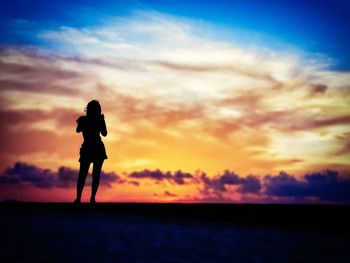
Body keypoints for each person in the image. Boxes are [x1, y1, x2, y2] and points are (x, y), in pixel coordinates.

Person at [74, 100, 107, 204]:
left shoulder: (84, 120)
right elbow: (105, 133)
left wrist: (83, 120)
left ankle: (80, 198)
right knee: (94, 175)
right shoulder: (96, 120)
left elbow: (78, 130)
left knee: (83, 174)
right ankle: (91, 199)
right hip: (95, 147)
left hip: (89, 147)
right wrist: (101, 120)